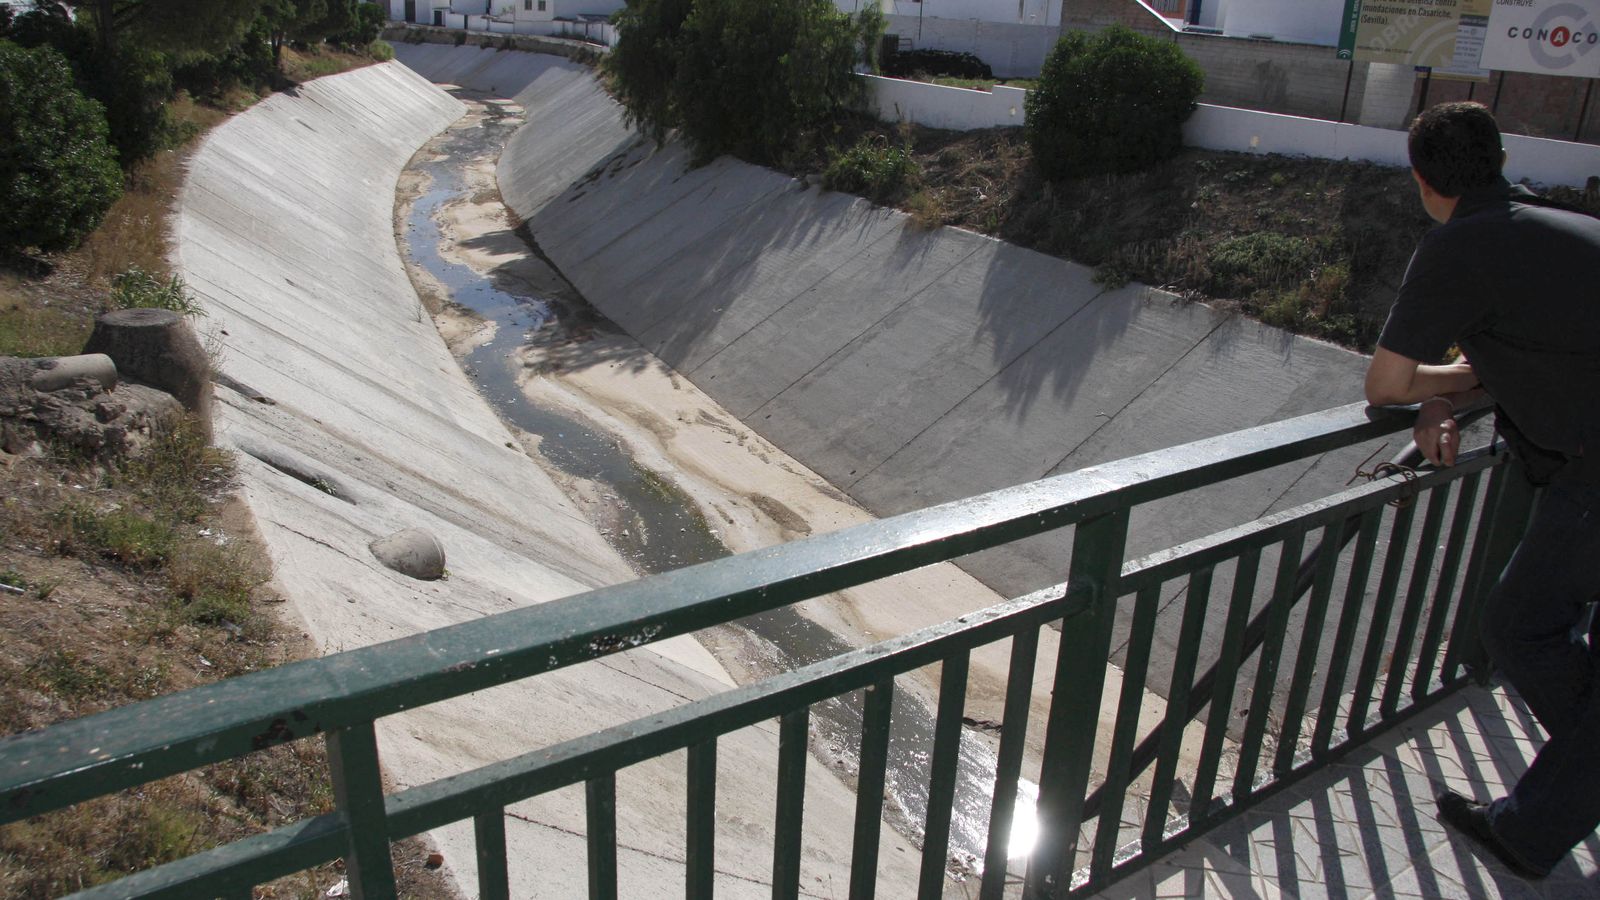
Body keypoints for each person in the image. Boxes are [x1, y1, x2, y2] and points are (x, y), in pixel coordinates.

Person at [1364, 100, 1600, 879]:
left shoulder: (1461, 244)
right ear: (1499, 159)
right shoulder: (1565, 230)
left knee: (1518, 628)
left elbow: (1388, 380)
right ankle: (1541, 814)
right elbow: (1526, 350)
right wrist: (1457, 389)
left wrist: (1439, 386)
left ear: (1424, 180)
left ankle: (1536, 826)